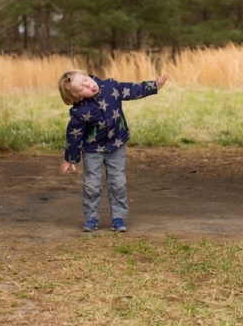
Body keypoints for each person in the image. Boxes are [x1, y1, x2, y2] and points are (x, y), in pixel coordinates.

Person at [58, 69, 168, 233]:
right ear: (77, 97)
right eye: (82, 89)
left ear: (87, 75)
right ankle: (91, 219)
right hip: (93, 150)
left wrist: (153, 86)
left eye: (86, 80)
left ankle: (118, 217)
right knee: (91, 185)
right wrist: (70, 158)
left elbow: (131, 90)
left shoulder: (111, 87)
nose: (88, 85)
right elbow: (74, 135)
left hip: (116, 145)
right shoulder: (80, 112)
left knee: (118, 182)